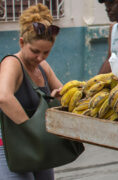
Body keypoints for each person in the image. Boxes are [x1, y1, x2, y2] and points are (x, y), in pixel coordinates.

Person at [0, 4, 63, 179]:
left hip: (38, 145)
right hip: (10, 147)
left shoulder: (42, 66)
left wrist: (57, 97)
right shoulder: (12, 63)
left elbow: (63, 92)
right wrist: (32, 131)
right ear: (22, 42)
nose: (40, 57)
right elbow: (4, 97)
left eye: (46, 52)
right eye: (35, 51)